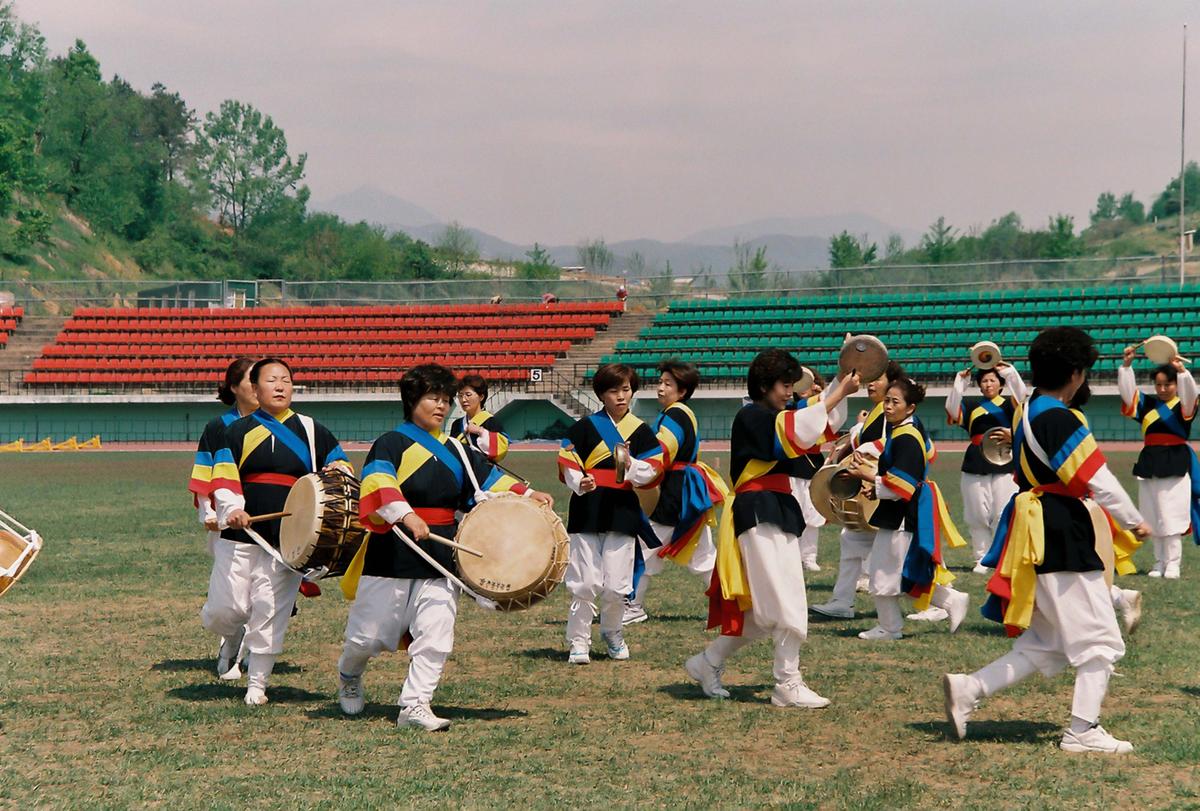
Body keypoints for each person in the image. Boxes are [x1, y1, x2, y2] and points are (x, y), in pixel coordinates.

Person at [943, 327, 1151, 754]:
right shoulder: (1059, 417)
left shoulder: (1027, 409)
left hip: (1037, 527)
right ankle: (1083, 730)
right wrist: (1133, 520)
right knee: (1101, 641)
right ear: (1076, 374)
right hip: (1060, 528)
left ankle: (969, 688)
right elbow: (1096, 478)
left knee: (1047, 643)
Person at [335, 364, 553, 731]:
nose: (442, 406)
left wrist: (530, 494)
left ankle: (415, 706)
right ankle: (349, 674)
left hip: (442, 551)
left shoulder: (457, 449)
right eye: (433, 398)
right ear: (412, 400)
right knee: (368, 636)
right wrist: (406, 515)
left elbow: (489, 481)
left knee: (436, 633)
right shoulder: (391, 442)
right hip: (392, 549)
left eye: (446, 399)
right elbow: (378, 483)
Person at [687, 349, 858, 708]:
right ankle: (787, 683)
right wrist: (839, 391)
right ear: (765, 386)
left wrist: (841, 381)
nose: (790, 392)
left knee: (763, 612)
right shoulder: (752, 415)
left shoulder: (776, 416)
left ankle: (708, 662)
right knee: (785, 600)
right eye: (785, 385)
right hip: (758, 510)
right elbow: (799, 429)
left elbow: (815, 426)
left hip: (773, 509)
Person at [207, 358, 353, 705]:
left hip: (290, 537)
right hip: (242, 532)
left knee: (270, 607)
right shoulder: (236, 432)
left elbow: (342, 467)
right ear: (255, 389)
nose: (280, 386)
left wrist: (339, 469)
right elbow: (224, 477)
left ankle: (257, 685)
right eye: (271, 380)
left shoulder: (313, 430)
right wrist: (232, 509)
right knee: (227, 609)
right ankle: (231, 637)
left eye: (285, 379)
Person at [846, 377, 969, 640]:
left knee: (885, 572)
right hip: (901, 511)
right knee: (899, 573)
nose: (888, 406)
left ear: (910, 407)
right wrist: (876, 487)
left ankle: (892, 627)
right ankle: (948, 601)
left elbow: (904, 485)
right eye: (887, 401)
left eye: (895, 402)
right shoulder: (901, 431)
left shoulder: (907, 437)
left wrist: (866, 476)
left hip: (903, 514)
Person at [557, 363, 663, 664]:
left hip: (622, 509)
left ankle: (613, 631)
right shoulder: (583, 427)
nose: (620, 396)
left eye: (626, 390)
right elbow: (568, 460)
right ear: (601, 395)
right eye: (613, 391)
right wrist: (580, 481)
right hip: (587, 508)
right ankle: (579, 640)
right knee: (585, 581)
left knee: (617, 584)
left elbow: (654, 470)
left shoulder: (641, 431)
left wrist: (631, 464)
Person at [624, 359, 729, 625]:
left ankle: (633, 606)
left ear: (682, 391)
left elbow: (664, 450)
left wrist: (634, 463)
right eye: (660, 382)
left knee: (645, 545)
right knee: (704, 555)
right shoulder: (677, 412)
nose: (660, 388)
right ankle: (730, 605)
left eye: (668, 384)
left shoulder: (675, 414)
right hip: (684, 490)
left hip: (675, 491)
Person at [811, 360, 905, 619]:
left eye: (878, 379)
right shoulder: (878, 412)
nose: (871, 384)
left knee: (904, 553)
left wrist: (860, 446)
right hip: (873, 488)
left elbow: (889, 444)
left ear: (892, 383)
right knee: (851, 539)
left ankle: (942, 600)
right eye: (870, 379)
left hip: (891, 490)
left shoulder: (893, 414)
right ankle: (842, 601)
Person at [188, 357, 258, 680]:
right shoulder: (218, 427)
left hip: (267, 520)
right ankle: (231, 638)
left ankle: (252, 655)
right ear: (234, 387)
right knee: (231, 592)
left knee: (262, 591)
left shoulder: (278, 426)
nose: (258, 386)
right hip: (228, 522)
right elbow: (205, 471)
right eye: (251, 380)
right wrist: (208, 511)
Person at [1118, 345, 1198, 579]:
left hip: (1175, 462)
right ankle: (1159, 562)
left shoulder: (1185, 405)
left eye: (1168, 384)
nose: (1162, 389)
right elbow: (1128, 394)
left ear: (1176, 385)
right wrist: (1126, 366)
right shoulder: (1146, 405)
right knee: (1152, 514)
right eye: (1158, 385)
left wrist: (1182, 372)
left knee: (1171, 513)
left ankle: (1173, 564)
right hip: (1150, 462)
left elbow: (1190, 393)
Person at [945, 364, 1028, 574]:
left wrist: (1011, 373)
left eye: (993, 380)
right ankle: (981, 558)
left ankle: (1001, 558)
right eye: (984, 381)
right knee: (977, 515)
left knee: (1002, 513)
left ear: (1001, 385)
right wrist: (960, 383)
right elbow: (952, 409)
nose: (988, 384)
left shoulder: (1010, 405)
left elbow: (1022, 398)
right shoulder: (972, 406)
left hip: (1005, 462)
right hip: (975, 462)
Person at [452, 373, 510, 463]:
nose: (463, 399)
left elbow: (501, 449)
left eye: (468, 395)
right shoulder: (456, 424)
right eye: (460, 395)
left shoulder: (491, 422)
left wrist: (480, 431)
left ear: (481, 397)